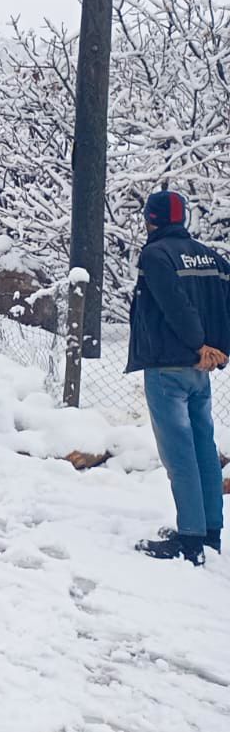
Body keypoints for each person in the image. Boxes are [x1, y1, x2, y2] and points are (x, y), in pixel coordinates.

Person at [128, 190, 229, 566]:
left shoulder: (156, 255)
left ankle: (189, 540)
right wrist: (218, 350)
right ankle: (210, 531)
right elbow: (225, 305)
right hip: (202, 370)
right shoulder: (212, 257)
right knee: (204, 448)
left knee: (179, 454)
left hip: (169, 365)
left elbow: (175, 305)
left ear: (151, 219)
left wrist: (197, 345)